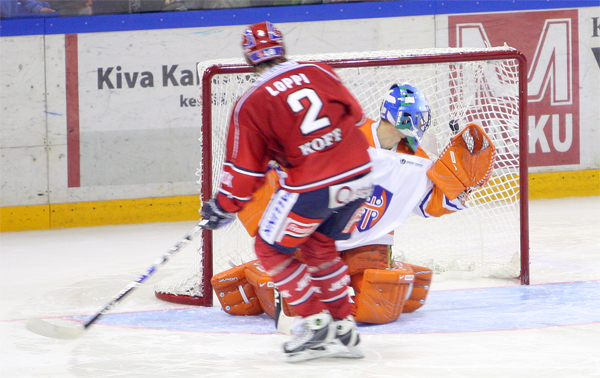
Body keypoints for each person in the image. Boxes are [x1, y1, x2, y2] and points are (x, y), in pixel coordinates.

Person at [213, 83, 497, 326]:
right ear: (406, 118)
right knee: (297, 307)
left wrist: (459, 187)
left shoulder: (416, 159)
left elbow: (428, 205)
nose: (422, 124)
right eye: (419, 117)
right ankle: (262, 272)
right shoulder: (346, 134)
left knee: (378, 305)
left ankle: (380, 273)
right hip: (316, 238)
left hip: (367, 245)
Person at [201, 21, 373, 362]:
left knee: (269, 248)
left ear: (249, 56)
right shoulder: (318, 71)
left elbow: (246, 169)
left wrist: (223, 205)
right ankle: (344, 327)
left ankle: (316, 324)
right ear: (282, 48)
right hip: (360, 175)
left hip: (314, 185)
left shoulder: (249, 102)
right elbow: (355, 115)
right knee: (320, 246)